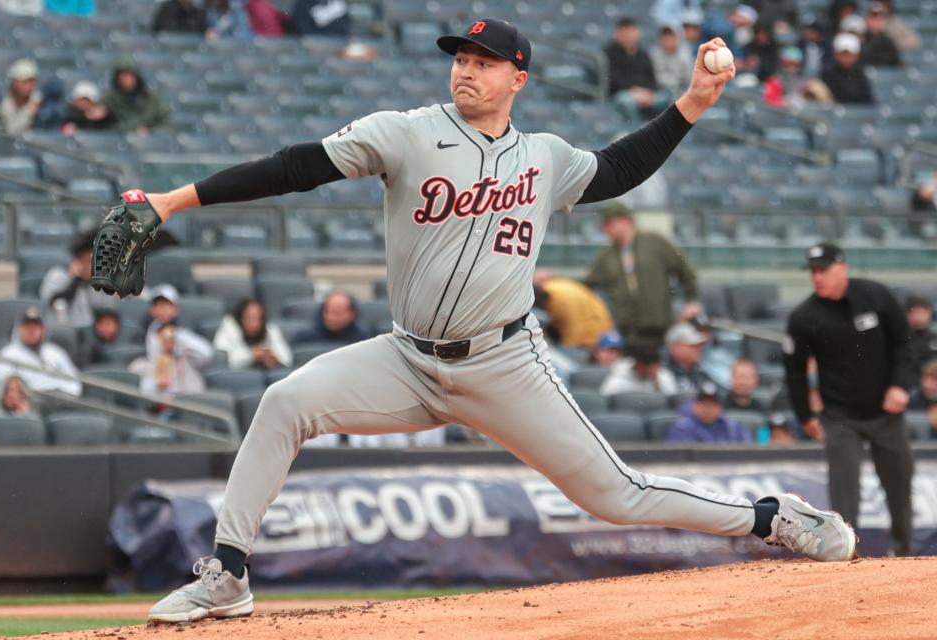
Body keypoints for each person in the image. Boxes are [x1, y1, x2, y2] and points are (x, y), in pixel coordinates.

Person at [123, 19, 854, 623]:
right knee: (284, 402)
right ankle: (227, 573)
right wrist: (172, 200)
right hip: (406, 360)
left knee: (614, 495)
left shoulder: (544, 158)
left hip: (505, 364)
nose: (466, 71)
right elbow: (294, 166)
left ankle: (768, 518)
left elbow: (619, 169)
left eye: (484, 61)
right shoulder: (406, 133)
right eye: (461, 59)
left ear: (518, 80)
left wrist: (691, 103)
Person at [784, 242, 914, 556]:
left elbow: (904, 342)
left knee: (899, 484)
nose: (817, 277)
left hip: (886, 412)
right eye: (813, 271)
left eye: (823, 270)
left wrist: (900, 385)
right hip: (840, 416)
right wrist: (805, 416)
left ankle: (905, 551)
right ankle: (847, 555)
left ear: (842, 267)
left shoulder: (876, 296)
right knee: (844, 492)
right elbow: (795, 371)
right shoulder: (804, 316)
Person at [586, 201, 700, 350]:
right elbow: (589, 285)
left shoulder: (655, 242)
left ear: (626, 221)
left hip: (661, 326)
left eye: (610, 223)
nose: (605, 229)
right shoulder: (606, 256)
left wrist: (692, 301)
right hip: (628, 331)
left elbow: (685, 270)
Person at [0, 307, 81, 396]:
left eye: (35, 327)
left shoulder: (55, 352)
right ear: (19, 329)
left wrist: (67, 396)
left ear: (43, 330)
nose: (31, 331)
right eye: (27, 327)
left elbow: (73, 381)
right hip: (30, 401)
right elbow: (3, 386)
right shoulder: (7, 355)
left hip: (61, 399)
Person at [39, 229, 111, 326]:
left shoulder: (99, 283)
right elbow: (53, 302)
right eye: (84, 260)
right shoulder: (57, 276)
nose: (88, 266)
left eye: (92, 261)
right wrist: (75, 281)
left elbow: (106, 310)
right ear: (75, 260)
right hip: (60, 331)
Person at [532, 271, 614, 349]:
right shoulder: (557, 286)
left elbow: (573, 324)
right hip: (597, 323)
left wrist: (568, 347)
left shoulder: (554, 294)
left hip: (591, 333)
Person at [604, 17, 663, 124]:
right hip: (620, 94)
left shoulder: (643, 54)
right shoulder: (608, 54)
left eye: (631, 31)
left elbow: (652, 79)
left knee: (668, 99)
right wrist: (634, 91)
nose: (629, 35)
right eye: (625, 31)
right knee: (627, 101)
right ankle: (636, 130)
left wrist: (647, 93)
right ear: (618, 33)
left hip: (645, 94)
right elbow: (614, 79)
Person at [134, 321, 210, 399]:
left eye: (171, 338)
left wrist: (179, 335)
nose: (167, 341)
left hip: (190, 404)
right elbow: (144, 394)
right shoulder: (143, 365)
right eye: (162, 337)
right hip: (161, 406)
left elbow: (206, 352)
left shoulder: (188, 359)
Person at [214, 298, 293, 370]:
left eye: (258, 319)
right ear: (240, 318)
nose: (255, 324)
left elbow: (287, 359)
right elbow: (223, 359)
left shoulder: (270, 329)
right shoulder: (229, 327)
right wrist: (251, 355)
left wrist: (274, 359)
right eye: (250, 318)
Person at [665, 381, 753, 443]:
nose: (707, 408)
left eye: (712, 404)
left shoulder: (731, 428)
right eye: (704, 403)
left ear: (720, 408)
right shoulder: (682, 428)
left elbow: (747, 451)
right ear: (694, 405)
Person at [105, 58, 172, 134]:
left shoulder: (152, 99)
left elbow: (167, 126)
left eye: (127, 75)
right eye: (120, 76)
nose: (123, 79)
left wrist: (150, 131)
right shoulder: (109, 100)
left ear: (136, 76)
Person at [291, 291, 370, 346]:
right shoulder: (305, 338)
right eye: (327, 311)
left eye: (338, 313)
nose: (331, 317)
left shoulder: (363, 340)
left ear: (352, 315)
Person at [0, 374, 41, 439]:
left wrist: (24, 417)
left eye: (18, 391)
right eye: (8, 390)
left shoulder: (32, 417)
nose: (12, 395)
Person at [600, 344, 678, 396]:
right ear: (639, 365)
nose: (654, 372)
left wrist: (657, 384)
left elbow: (672, 403)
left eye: (656, 367)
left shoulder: (664, 376)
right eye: (650, 369)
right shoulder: (617, 380)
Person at [821, 33, 874, 105]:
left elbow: (868, 101)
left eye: (849, 54)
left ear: (856, 55)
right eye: (843, 53)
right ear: (835, 53)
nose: (846, 57)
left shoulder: (860, 74)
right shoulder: (827, 73)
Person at [664, 321, 713, 392]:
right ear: (676, 348)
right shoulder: (662, 374)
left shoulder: (703, 372)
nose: (700, 348)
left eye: (699, 345)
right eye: (693, 345)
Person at [0, 59, 41, 135]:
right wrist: (29, 111)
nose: (29, 86)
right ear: (15, 83)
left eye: (31, 81)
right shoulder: (7, 104)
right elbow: (12, 131)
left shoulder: (39, 99)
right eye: (24, 82)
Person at [650, 26, 694, 96]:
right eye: (664, 39)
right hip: (661, 91)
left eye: (670, 38)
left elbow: (689, 77)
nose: (667, 42)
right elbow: (658, 77)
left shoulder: (685, 53)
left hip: (682, 88)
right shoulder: (655, 54)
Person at [862, 2, 902, 67]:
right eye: (873, 17)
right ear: (867, 19)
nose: (875, 22)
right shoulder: (860, 39)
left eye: (879, 18)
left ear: (884, 21)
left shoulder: (889, 42)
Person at [905, 294, 937, 375]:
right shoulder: (901, 339)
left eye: (921, 312)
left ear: (929, 313)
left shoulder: (934, 338)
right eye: (914, 312)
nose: (917, 316)